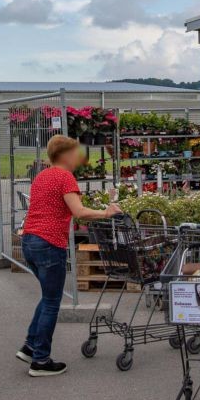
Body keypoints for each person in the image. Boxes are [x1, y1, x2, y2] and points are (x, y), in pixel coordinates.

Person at [17, 135, 121, 377]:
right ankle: (41, 361)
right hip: (49, 243)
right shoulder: (64, 177)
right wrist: (107, 213)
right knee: (52, 302)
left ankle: (30, 346)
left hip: (29, 241)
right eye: (75, 153)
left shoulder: (42, 176)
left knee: (47, 296)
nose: (79, 158)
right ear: (64, 155)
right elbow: (79, 212)